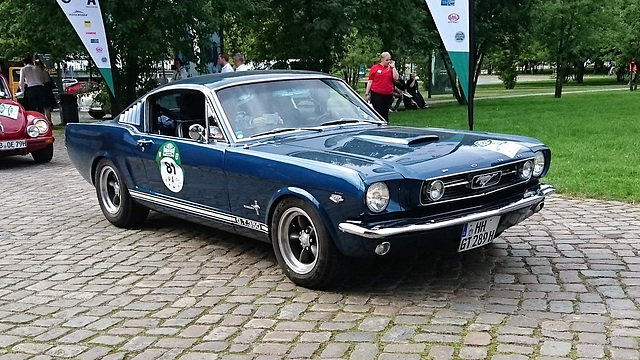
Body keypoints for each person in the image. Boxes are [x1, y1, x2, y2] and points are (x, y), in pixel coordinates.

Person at [365, 52, 399, 121]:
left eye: (389, 60)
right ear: (382, 59)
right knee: (379, 111)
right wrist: (367, 93)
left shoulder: (391, 69)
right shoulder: (375, 68)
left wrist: (394, 68)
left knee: (385, 112)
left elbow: (396, 78)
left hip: (388, 93)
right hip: (376, 93)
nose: (388, 62)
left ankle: (385, 125)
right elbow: (370, 81)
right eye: (387, 60)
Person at [34, 59, 57, 124]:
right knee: (47, 107)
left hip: (43, 89)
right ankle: (49, 121)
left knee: (45, 107)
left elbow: (42, 81)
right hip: (47, 90)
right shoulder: (45, 71)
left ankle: (47, 121)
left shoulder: (40, 72)